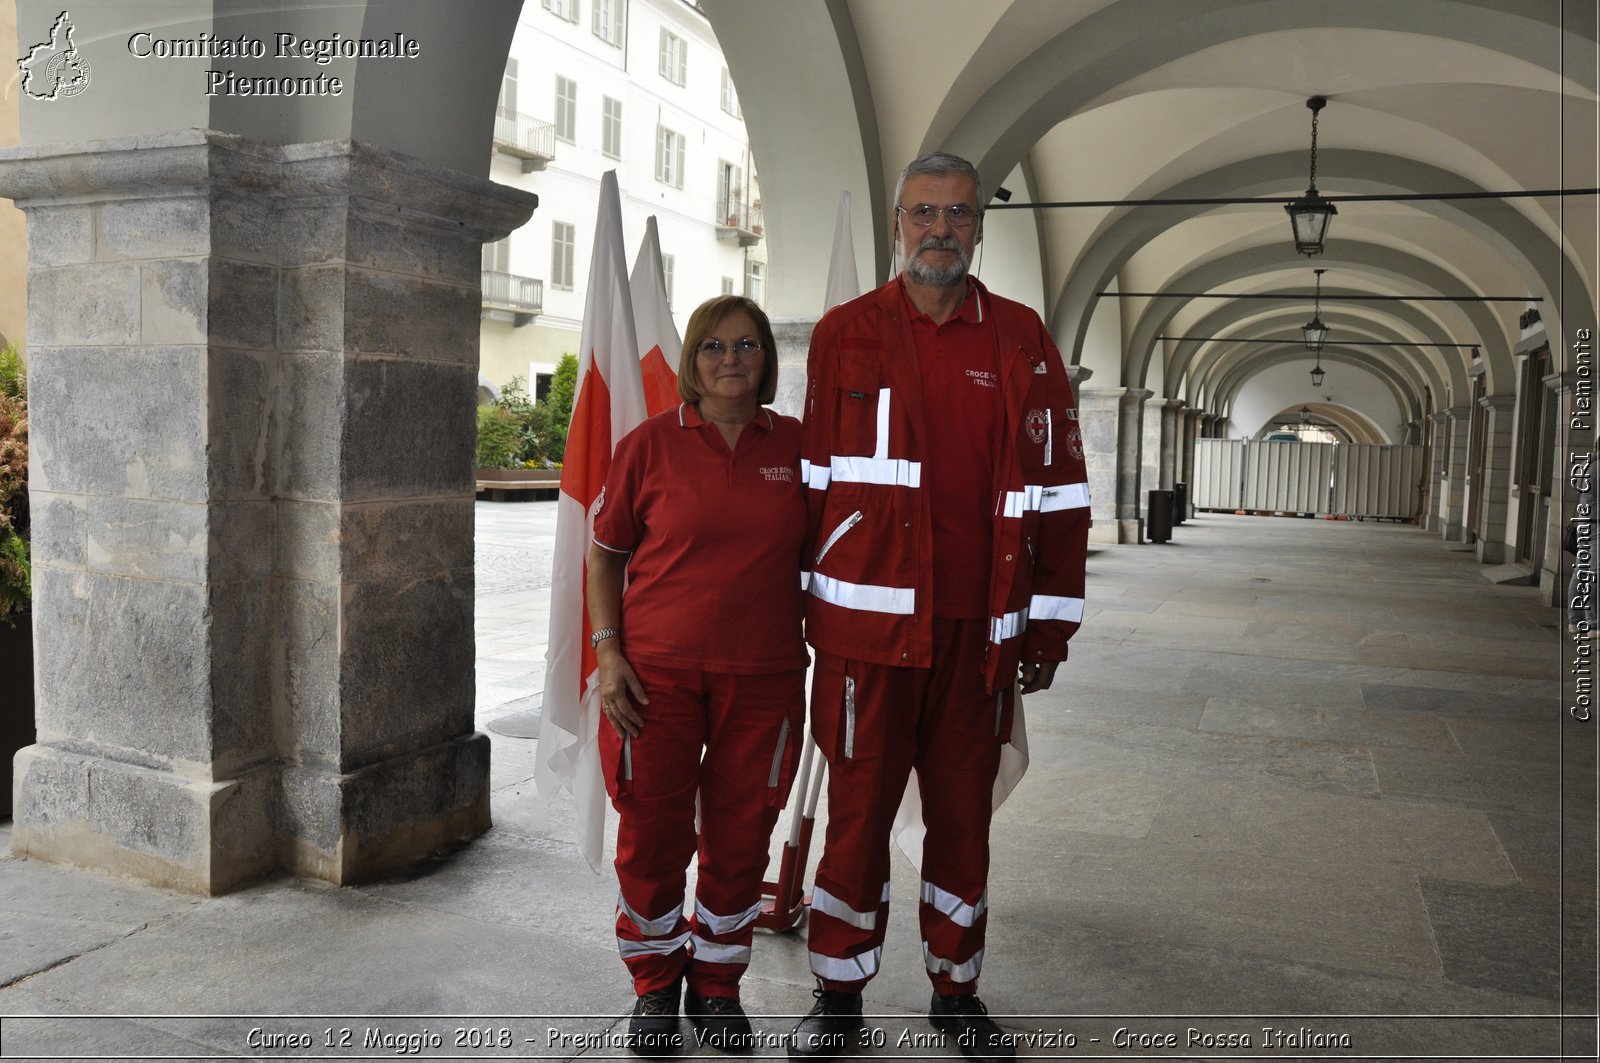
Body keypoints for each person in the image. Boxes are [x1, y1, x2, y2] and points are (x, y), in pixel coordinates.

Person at [789, 153, 1091, 1062]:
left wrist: (1050, 623)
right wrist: (791, 614)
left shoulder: (1021, 337)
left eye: (959, 213)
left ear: (979, 227)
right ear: (897, 224)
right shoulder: (845, 333)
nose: (941, 229)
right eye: (924, 212)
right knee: (856, 820)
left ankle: (956, 990)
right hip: (864, 638)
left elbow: (1063, 493)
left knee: (963, 822)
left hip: (977, 636)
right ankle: (838, 993)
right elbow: (811, 484)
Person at [588, 295, 809, 1056]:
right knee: (651, 833)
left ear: (766, 359)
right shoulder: (648, 445)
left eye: (747, 345)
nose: (730, 360)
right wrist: (608, 650)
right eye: (713, 346)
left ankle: (716, 984)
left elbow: (840, 553)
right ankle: (654, 983)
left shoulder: (801, 449)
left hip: (767, 678)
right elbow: (606, 555)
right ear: (692, 358)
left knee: (741, 835)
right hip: (656, 680)